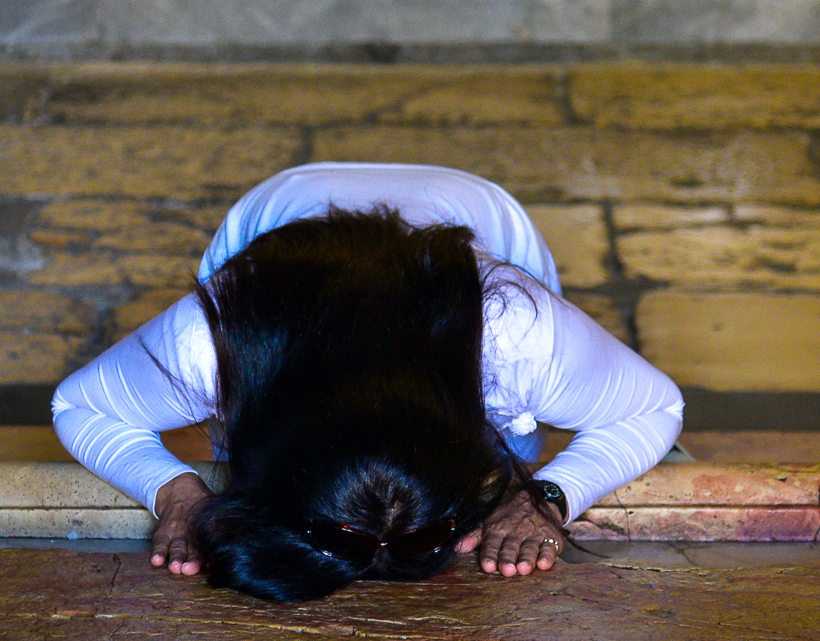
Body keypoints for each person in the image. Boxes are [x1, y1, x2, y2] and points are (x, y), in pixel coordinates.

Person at [51, 163, 684, 602]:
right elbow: (78, 405)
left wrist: (546, 494)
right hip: (285, 211)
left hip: (471, 210)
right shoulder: (211, 347)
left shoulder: (516, 334)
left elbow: (654, 406)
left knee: (511, 456)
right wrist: (178, 493)